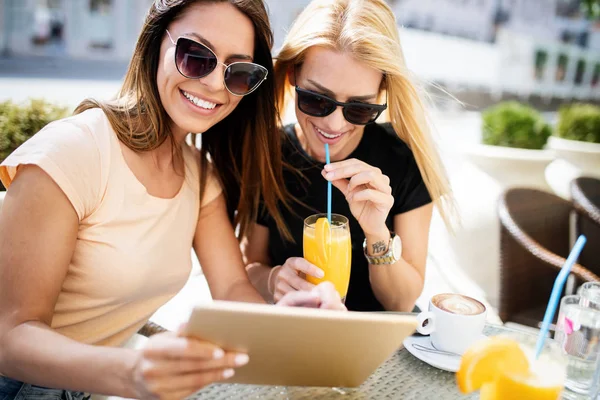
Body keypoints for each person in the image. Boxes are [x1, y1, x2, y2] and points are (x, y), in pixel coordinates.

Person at [0, 1, 344, 399]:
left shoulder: (201, 177)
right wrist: (132, 372)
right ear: (153, 44)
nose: (216, 83)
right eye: (196, 56)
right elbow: (10, 337)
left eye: (239, 72)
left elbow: (233, 288)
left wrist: (294, 320)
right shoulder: (73, 151)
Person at [243, 0, 455, 312]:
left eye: (360, 108)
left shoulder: (403, 157)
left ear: (381, 92)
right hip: (294, 332)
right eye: (317, 99)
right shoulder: (267, 152)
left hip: (374, 340)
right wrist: (273, 279)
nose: (334, 124)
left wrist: (376, 231)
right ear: (292, 75)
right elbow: (250, 265)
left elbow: (401, 301)